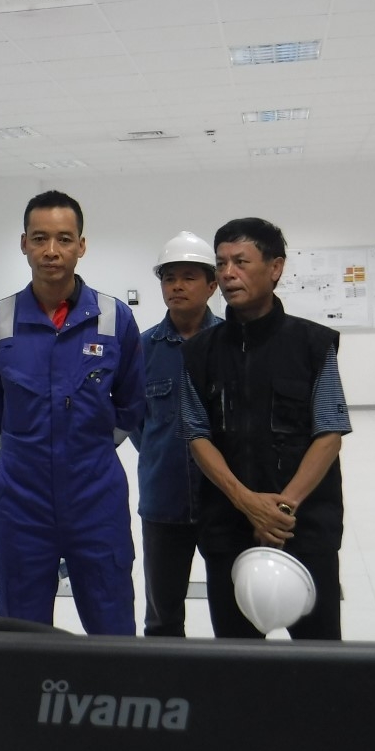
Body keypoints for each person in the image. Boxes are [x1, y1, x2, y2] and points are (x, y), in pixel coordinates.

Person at [0, 189, 144, 635]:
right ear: (24, 243)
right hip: (21, 500)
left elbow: (131, 404)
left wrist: (88, 449)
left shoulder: (114, 318)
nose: (51, 250)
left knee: (111, 623)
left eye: (64, 239)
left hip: (95, 496)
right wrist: (27, 455)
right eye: (40, 238)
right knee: (22, 628)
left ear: (81, 245)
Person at [181, 217, 352, 640]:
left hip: (303, 527)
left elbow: (329, 433)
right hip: (229, 528)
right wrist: (247, 503)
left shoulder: (313, 344)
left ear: (275, 268)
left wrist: (283, 509)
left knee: (319, 654)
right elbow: (197, 435)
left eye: (241, 262)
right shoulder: (199, 352)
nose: (227, 274)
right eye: (221, 263)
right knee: (238, 656)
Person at [135, 231, 221, 637]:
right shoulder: (143, 349)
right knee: (162, 616)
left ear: (212, 285)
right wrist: (160, 451)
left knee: (234, 611)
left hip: (224, 501)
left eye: (189, 277)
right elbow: (137, 422)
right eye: (169, 278)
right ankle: (166, 675)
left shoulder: (231, 343)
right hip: (163, 501)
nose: (177, 286)